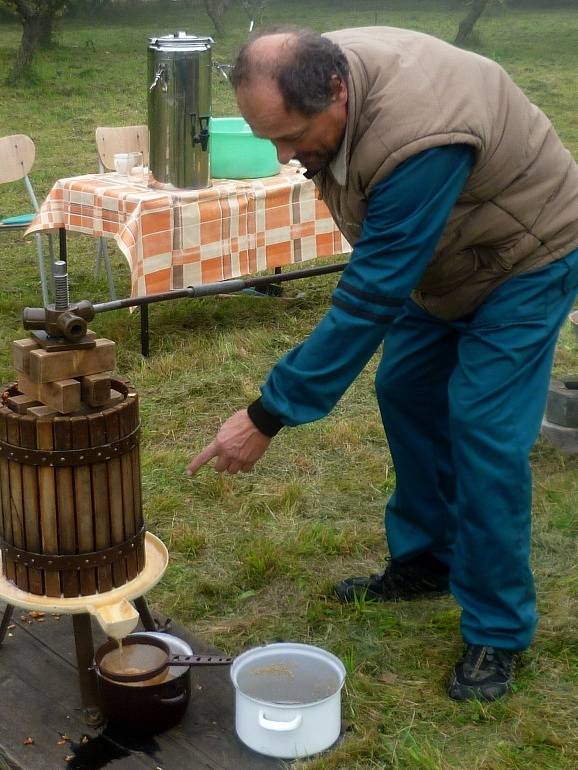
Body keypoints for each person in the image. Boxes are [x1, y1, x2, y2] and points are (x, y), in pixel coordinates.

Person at [187, 26, 578, 701]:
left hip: (526, 255)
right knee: (404, 387)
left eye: (293, 135)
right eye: (270, 138)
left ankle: (497, 627)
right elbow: (387, 267)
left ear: (336, 89)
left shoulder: (417, 139)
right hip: (444, 255)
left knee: (483, 428)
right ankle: (429, 559)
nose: (285, 156)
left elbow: (370, 298)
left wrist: (267, 414)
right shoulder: (318, 70)